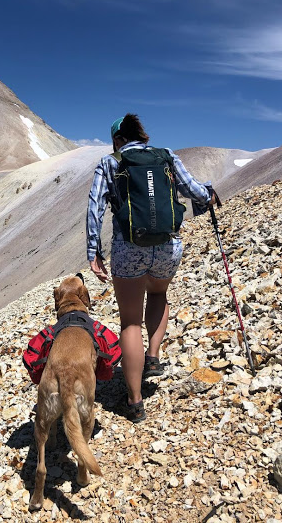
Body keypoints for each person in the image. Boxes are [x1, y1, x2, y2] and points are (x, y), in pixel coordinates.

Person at [86, 113, 214, 422]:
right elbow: (196, 192)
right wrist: (209, 194)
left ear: (119, 139)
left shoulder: (110, 162)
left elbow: (94, 207)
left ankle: (135, 400)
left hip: (129, 249)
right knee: (158, 295)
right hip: (168, 246)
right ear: (143, 136)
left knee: (130, 323)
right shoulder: (167, 156)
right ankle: (153, 356)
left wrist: (94, 251)